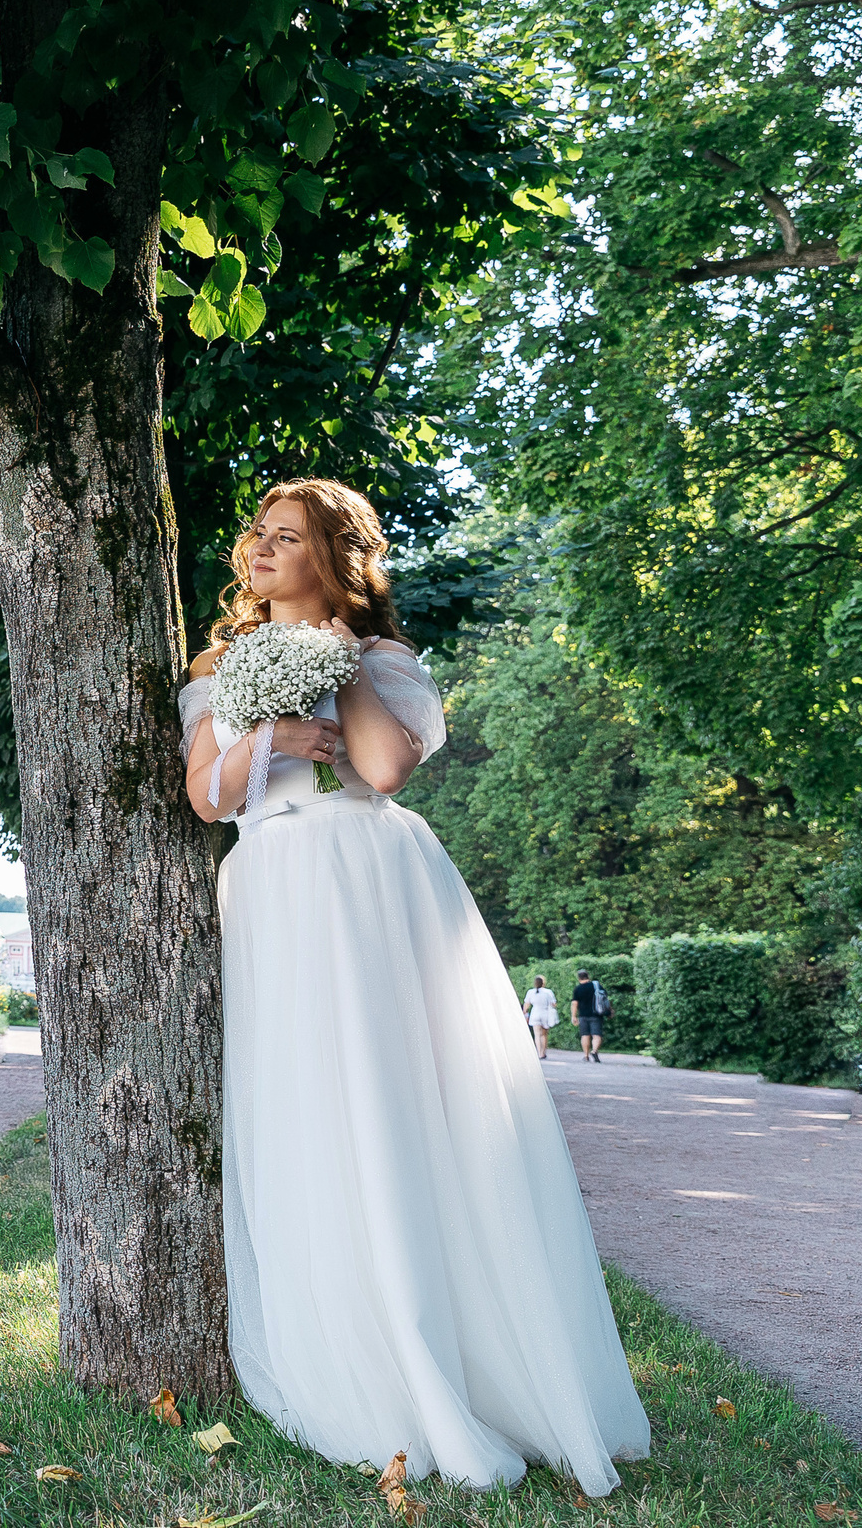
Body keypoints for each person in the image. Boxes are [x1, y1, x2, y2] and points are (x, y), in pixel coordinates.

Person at [181, 478, 646, 1499]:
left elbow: (384, 769)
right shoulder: (217, 665)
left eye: (287, 538)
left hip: (371, 883)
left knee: (400, 1108)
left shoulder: (385, 660)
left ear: (334, 559)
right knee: (307, 1112)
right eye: (257, 534)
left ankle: (452, 1351)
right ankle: (343, 1337)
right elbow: (206, 796)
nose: (260, 550)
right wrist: (269, 739)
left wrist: (331, 663)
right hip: (275, 889)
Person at [572, 970, 608, 1063]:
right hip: (596, 1014)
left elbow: (575, 1003)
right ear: (588, 976)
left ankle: (586, 1055)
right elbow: (604, 998)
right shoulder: (596, 985)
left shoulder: (578, 989)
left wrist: (574, 1016)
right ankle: (594, 1051)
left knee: (585, 1035)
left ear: (579, 978)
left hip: (583, 1015)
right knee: (596, 1035)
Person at [524, 974, 560, 1060]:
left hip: (535, 1013)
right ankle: (543, 1052)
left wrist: (524, 1012)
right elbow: (554, 1004)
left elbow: (526, 1005)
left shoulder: (530, 992)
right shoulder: (548, 992)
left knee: (537, 1034)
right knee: (544, 1034)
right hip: (545, 1013)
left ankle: (539, 1052)